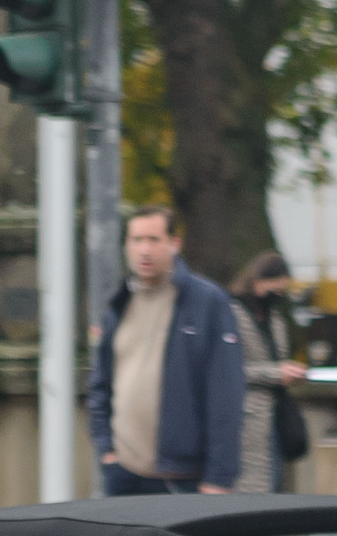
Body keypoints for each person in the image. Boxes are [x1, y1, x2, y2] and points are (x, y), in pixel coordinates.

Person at [87, 208, 248, 495]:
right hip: (123, 473)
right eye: (136, 240)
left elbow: (226, 397)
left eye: (153, 239)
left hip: (181, 479)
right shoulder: (120, 303)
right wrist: (106, 451)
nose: (144, 250)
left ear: (175, 243)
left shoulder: (207, 302)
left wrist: (219, 478)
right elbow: (100, 385)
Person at [229, 251, 309, 494]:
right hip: (246, 418)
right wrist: (275, 372)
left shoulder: (274, 318)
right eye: (273, 290)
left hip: (275, 416)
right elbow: (228, 369)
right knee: (252, 489)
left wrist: (288, 370)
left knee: (274, 485)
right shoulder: (233, 314)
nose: (276, 297)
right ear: (257, 281)